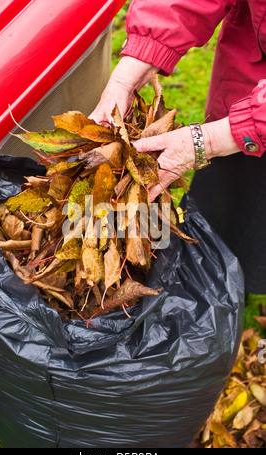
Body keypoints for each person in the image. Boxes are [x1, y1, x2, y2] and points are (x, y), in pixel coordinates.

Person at [90, 0, 266, 294]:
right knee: (230, 218)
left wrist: (210, 140)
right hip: (244, 83)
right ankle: (224, 284)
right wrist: (138, 59)